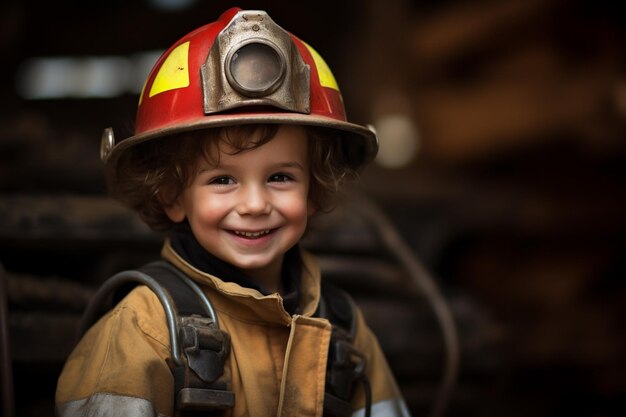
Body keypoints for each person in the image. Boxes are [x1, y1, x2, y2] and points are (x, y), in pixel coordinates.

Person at [56, 7, 411, 417]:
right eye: (223, 180)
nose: (256, 204)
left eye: (280, 177)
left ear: (315, 189)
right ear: (172, 196)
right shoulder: (142, 331)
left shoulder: (343, 327)